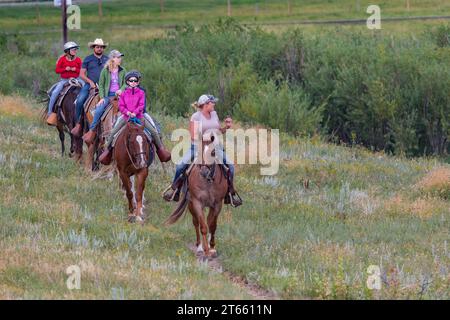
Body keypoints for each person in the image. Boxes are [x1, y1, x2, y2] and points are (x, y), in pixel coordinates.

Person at [162, 94, 242, 206]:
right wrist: (208, 137)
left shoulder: (214, 114)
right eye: (212, 102)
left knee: (231, 167)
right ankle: (175, 189)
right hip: (197, 146)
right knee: (180, 165)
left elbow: (219, 131)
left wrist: (226, 127)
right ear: (205, 104)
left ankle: (230, 193)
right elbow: (193, 136)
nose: (214, 104)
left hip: (215, 147)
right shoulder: (196, 117)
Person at [98, 71, 172, 164]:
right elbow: (121, 106)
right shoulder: (124, 93)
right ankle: (107, 152)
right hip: (126, 117)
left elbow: (141, 105)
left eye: (135, 80)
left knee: (153, 131)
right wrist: (127, 112)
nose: (133, 82)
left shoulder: (141, 93)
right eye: (131, 80)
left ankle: (161, 151)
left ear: (137, 82)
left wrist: (135, 112)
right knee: (113, 132)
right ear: (127, 82)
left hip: (139, 116)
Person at [82, 50, 126, 145]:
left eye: (120, 57)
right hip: (108, 95)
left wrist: (121, 90)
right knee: (98, 110)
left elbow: (126, 83)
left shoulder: (123, 70)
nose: (120, 59)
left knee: (130, 109)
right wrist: (102, 97)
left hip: (120, 96)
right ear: (112, 59)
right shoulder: (105, 71)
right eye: (117, 57)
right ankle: (92, 131)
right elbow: (101, 85)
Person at [71, 38, 109, 137]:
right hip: (90, 85)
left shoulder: (107, 59)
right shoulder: (88, 59)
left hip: (105, 85)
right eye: (97, 47)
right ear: (94, 48)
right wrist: (90, 82)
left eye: (101, 47)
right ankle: (78, 124)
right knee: (80, 101)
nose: (99, 49)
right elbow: (81, 74)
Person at [46, 41, 84, 126]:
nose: (75, 51)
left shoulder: (78, 60)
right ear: (68, 51)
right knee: (55, 92)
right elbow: (57, 70)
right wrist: (65, 69)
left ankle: (89, 109)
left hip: (77, 79)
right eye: (73, 49)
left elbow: (82, 71)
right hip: (64, 80)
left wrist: (76, 70)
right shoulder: (62, 59)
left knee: (86, 89)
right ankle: (50, 113)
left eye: (75, 50)